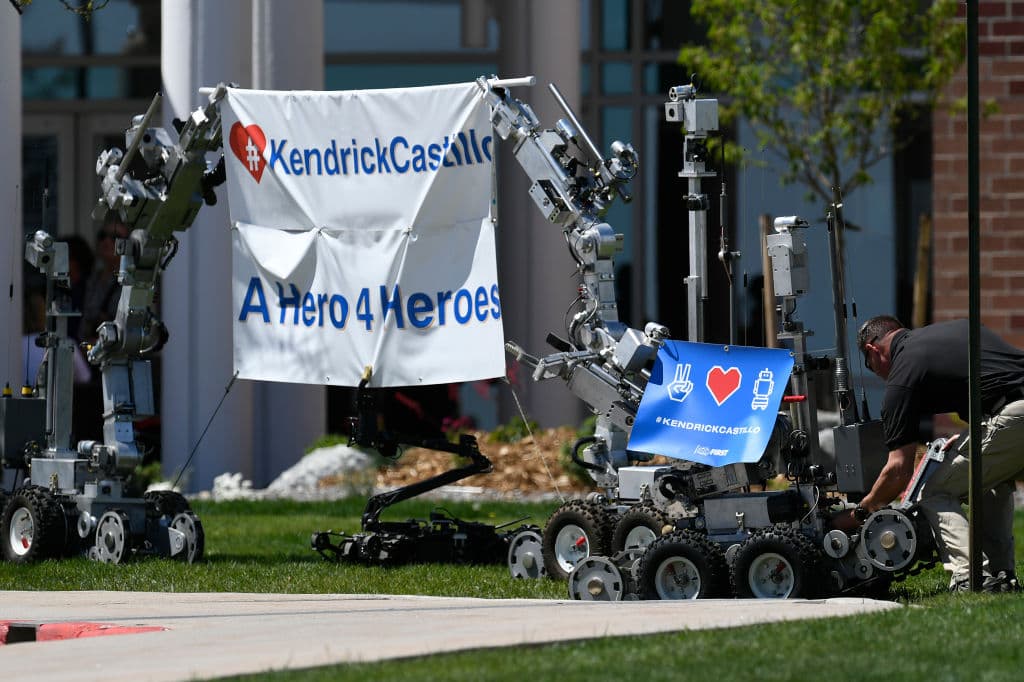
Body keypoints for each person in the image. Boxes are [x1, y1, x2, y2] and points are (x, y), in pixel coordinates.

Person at [834, 315, 1024, 593]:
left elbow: (899, 470)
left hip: (1013, 415)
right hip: (1012, 409)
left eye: (869, 364)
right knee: (989, 480)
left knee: (933, 491)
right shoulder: (953, 329)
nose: (874, 371)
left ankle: (971, 578)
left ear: (873, 350)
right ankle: (1000, 575)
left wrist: (861, 512)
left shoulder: (902, 375)